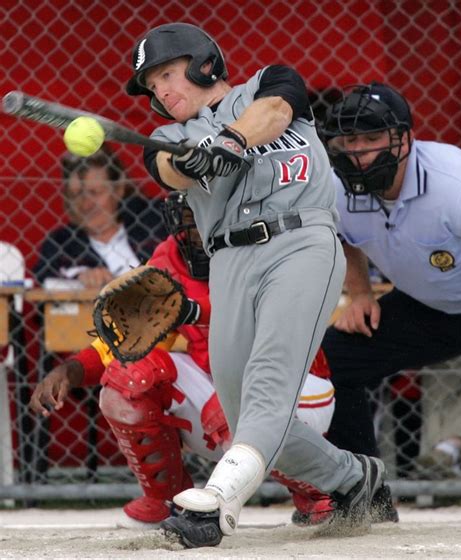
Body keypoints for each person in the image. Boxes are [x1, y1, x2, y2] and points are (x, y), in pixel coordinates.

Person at [124, 22, 386, 547]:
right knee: (249, 420)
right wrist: (190, 159)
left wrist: (229, 141)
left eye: (168, 75)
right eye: (154, 87)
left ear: (203, 64)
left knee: (269, 378)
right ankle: (356, 479)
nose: (163, 91)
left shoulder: (269, 82)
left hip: (300, 241)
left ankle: (215, 505)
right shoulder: (170, 137)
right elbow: (167, 169)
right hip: (229, 263)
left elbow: (277, 111)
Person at [29, 192, 338, 528]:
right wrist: (69, 371)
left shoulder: (270, 246)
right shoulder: (167, 261)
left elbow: (267, 317)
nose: (196, 229)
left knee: (232, 406)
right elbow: (123, 341)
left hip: (298, 388)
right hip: (220, 400)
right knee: (128, 378)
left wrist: (191, 310)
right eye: (190, 218)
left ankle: (324, 489)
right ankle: (166, 499)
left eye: (205, 216)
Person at [316, 82, 461, 481]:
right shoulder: (335, 189)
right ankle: (362, 495)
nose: (360, 151)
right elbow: (343, 236)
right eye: (349, 139)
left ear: (405, 140)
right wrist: (359, 294)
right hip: (427, 307)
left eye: (373, 138)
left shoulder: (458, 188)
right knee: (333, 362)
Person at [34, 144, 167, 288]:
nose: (86, 204)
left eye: (95, 192)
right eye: (76, 194)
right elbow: (44, 277)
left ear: (118, 189)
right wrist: (79, 275)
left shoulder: (155, 220)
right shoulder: (61, 243)